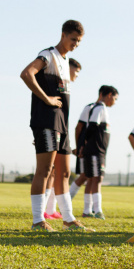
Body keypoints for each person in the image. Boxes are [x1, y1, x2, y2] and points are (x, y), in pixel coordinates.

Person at [19, 20, 90, 231]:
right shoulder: (47, 55)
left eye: (79, 41)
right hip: (46, 120)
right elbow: (26, 73)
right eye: (73, 39)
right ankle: (38, 221)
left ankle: (68, 219)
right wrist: (47, 99)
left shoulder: (65, 61)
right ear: (63, 35)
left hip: (62, 122)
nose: (75, 44)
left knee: (65, 172)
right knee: (44, 170)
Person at [44, 57, 82, 219]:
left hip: (61, 128)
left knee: (57, 172)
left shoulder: (66, 87)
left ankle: (51, 209)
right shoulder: (55, 80)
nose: (77, 75)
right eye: (76, 71)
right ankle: (43, 211)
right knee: (49, 171)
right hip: (51, 128)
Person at [81, 85, 119, 219]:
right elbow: (91, 126)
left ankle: (88, 211)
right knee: (97, 179)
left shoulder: (102, 109)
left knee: (92, 179)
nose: (114, 102)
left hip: (99, 150)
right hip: (95, 150)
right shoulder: (99, 108)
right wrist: (84, 144)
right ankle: (97, 210)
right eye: (115, 98)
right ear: (109, 95)